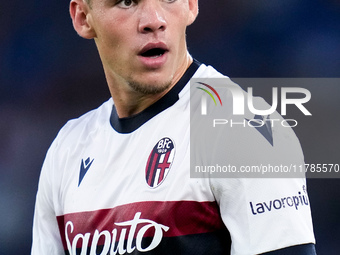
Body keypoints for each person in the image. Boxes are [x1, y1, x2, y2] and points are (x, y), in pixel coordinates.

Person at [31, 0, 317, 254]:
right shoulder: (67, 150)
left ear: (192, 5)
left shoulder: (246, 130)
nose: (154, 20)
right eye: (127, 2)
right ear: (83, 17)